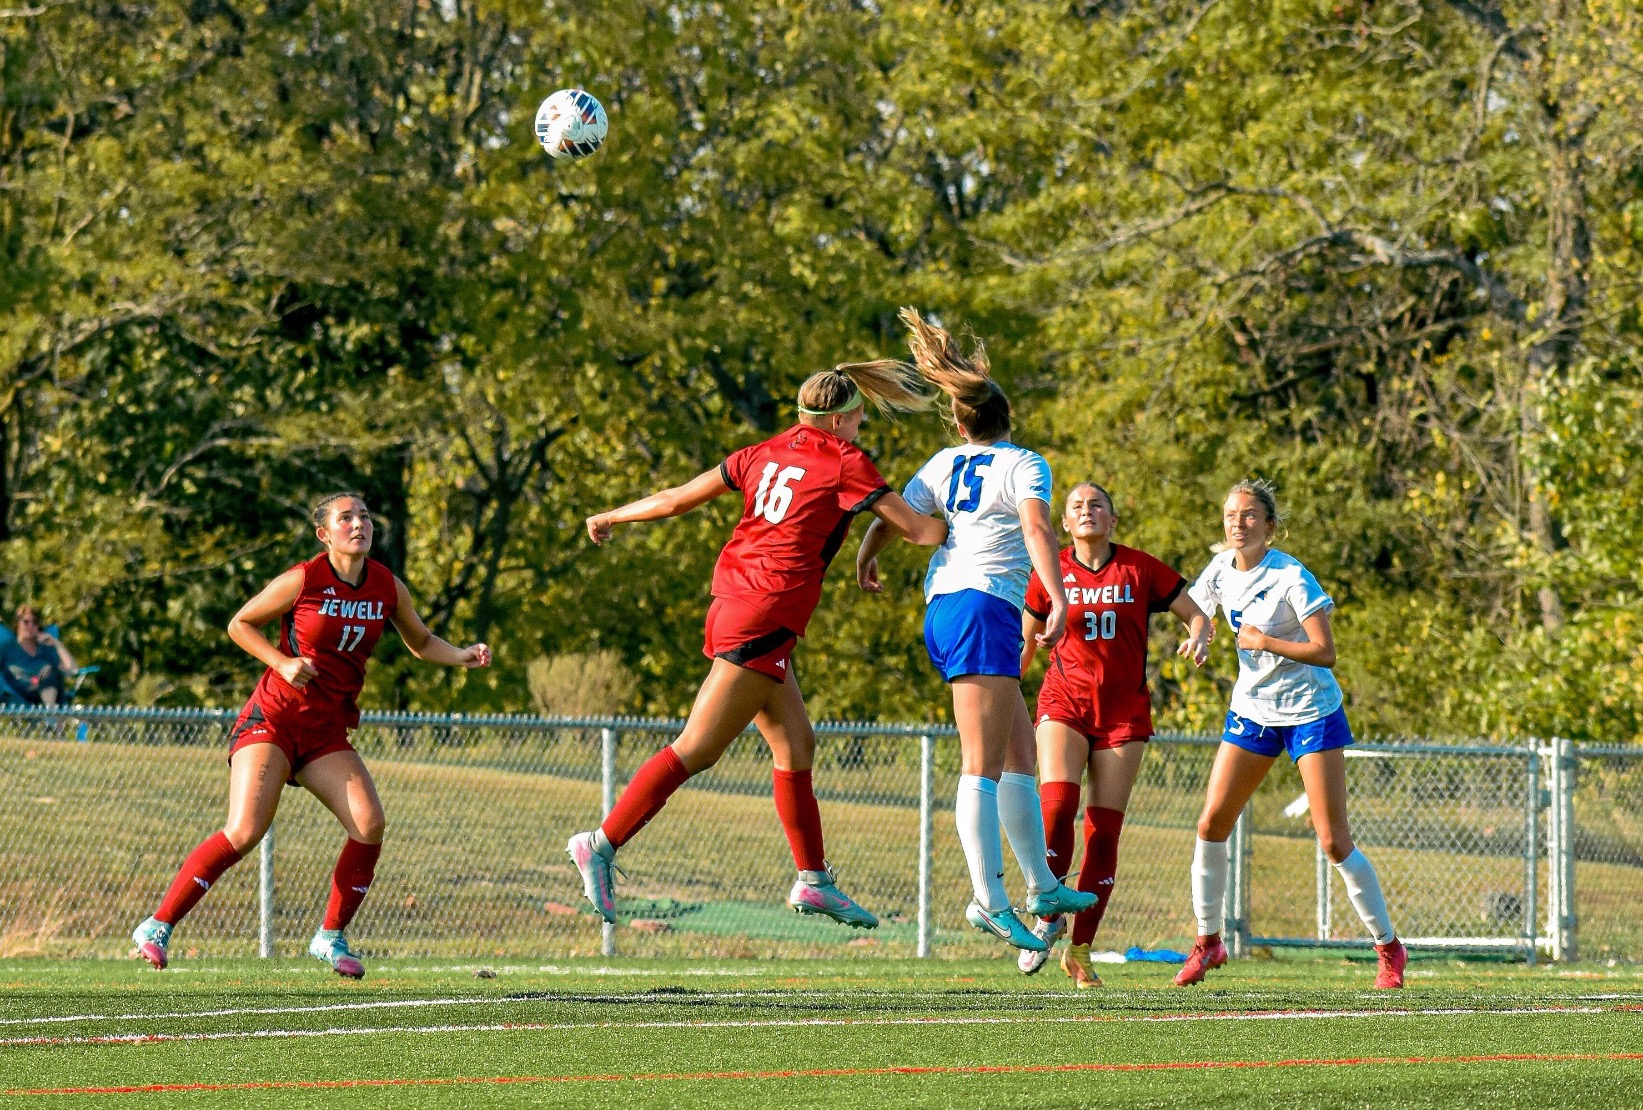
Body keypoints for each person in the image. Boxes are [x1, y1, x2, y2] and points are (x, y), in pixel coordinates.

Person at [566, 361, 946, 930]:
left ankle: (814, 881)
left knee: (796, 744)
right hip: (766, 613)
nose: (863, 424)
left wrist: (613, 515)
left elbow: (674, 499)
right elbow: (921, 532)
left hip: (735, 602)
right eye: (861, 415)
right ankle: (600, 843)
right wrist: (979, 511)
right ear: (840, 419)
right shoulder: (845, 461)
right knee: (696, 749)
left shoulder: (760, 452)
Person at [131, 493, 492, 978]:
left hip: (325, 732)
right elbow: (239, 623)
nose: (360, 523)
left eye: (364, 515)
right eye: (347, 518)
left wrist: (463, 654)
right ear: (325, 534)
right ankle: (157, 926)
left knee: (369, 824)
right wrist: (281, 661)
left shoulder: (386, 585)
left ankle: (330, 937)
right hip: (273, 720)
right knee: (244, 831)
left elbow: (422, 642)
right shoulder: (304, 578)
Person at [857, 308, 1096, 953]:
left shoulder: (942, 462)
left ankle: (1042, 886)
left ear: (962, 423)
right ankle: (990, 901)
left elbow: (900, 514)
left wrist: (868, 552)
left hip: (950, 606)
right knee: (981, 768)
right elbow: (1039, 531)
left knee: (1020, 757)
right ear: (1006, 418)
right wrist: (1062, 599)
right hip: (983, 605)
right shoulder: (1024, 464)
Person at [1178, 478, 1406, 989]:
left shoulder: (1291, 575)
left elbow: (1325, 651)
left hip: (1310, 711)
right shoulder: (1219, 569)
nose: (1239, 522)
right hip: (1253, 711)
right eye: (1231, 513)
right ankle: (1208, 942)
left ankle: (1389, 948)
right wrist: (1199, 636)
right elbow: (1197, 613)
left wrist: (1268, 642)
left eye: (1251, 514)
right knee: (1211, 823)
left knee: (1332, 841)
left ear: (1270, 526)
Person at [1016, 482, 1212, 986]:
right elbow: (1024, 644)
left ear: (1113, 517)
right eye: (1077, 506)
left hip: (1123, 712)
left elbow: (1196, 613)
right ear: (1064, 522)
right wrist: (1003, 698)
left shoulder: (1141, 568)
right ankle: (1047, 909)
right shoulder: (1049, 569)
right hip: (1064, 701)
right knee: (1057, 805)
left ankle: (1080, 950)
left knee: (1103, 830)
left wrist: (1198, 635)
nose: (1087, 511)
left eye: (1096, 504)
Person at [2, 606, 80, 706]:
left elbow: (73, 670)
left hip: (51, 690)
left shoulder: (45, 649)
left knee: (52, 674)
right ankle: (50, 715)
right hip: (21, 695)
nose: (30, 626)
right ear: (17, 624)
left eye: (34, 622)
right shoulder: (7, 649)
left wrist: (57, 644)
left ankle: (50, 714)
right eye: (26, 622)